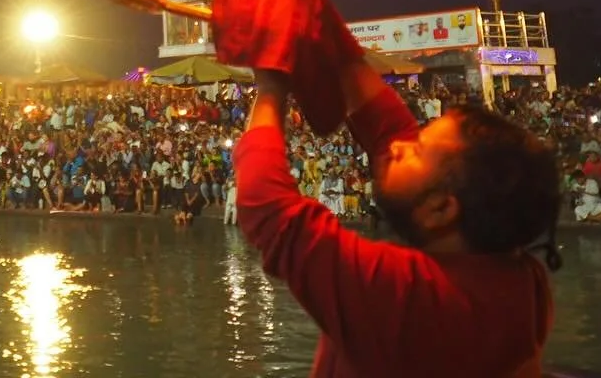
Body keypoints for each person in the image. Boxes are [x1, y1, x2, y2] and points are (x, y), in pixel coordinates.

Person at [236, 25, 561, 376]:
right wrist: (319, 27)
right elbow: (389, 129)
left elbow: (269, 209)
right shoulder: (523, 283)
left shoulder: (404, 296)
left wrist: (270, 90)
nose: (397, 145)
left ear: (440, 209)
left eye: (415, 150)